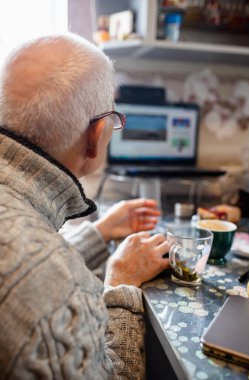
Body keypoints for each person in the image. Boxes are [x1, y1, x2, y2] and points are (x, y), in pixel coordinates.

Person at [0, 33, 169, 380]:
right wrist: (122, 284)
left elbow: (26, 263)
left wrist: (101, 230)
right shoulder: (56, 279)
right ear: (96, 135)